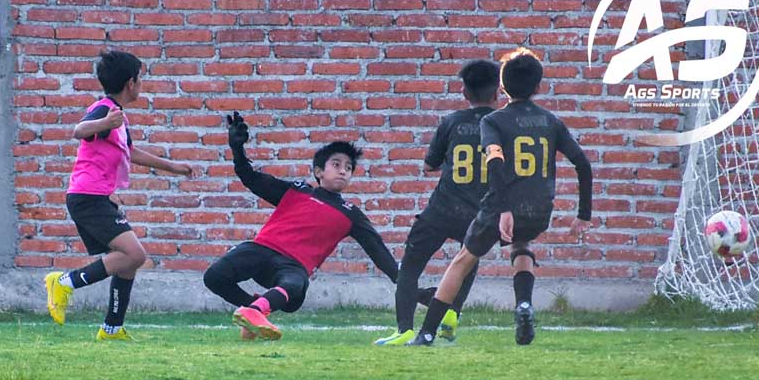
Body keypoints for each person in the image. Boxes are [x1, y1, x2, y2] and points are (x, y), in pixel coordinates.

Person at [406, 47, 593, 346]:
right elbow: (582, 164)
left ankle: (426, 333)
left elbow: (495, 161)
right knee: (521, 245)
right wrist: (584, 214)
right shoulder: (551, 122)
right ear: (538, 87)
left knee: (463, 259)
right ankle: (523, 304)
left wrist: (504, 208)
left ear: (502, 88)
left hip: (500, 206)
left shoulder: (493, 121)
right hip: (539, 208)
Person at [204, 112, 399, 340]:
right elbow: (250, 178)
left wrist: (407, 284)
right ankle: (255, 310)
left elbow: (378, 252)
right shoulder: (297, 190)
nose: (343, 170)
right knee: (214, 276)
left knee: (294, 288)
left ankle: (255, 311)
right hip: (262, 249)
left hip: (293, 267)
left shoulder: (351, 215)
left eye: (349, 167)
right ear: (318, 171)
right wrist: (237, 148)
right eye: (336, 164)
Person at [44, 50, 193, 340]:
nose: (142, 84)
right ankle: (63, 283)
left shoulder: (118, 117)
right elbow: (79, 130)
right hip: (87, 198)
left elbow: (131, 152)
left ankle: (112, 328)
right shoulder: (105, 110)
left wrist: (172, 166)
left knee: (126, 260)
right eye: (141, 79)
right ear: (130, 83)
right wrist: (104, 124)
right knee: (134, 255)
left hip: (98, 197)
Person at [374, 59, 500, 346]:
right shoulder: (503, 127)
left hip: (442, 208)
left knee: (410, 267)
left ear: (464, 93)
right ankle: (452, 313)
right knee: (466, 260)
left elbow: (429, 165)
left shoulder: (452, 122)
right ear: (497, 93)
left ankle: (404, 328)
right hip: (478, 210)